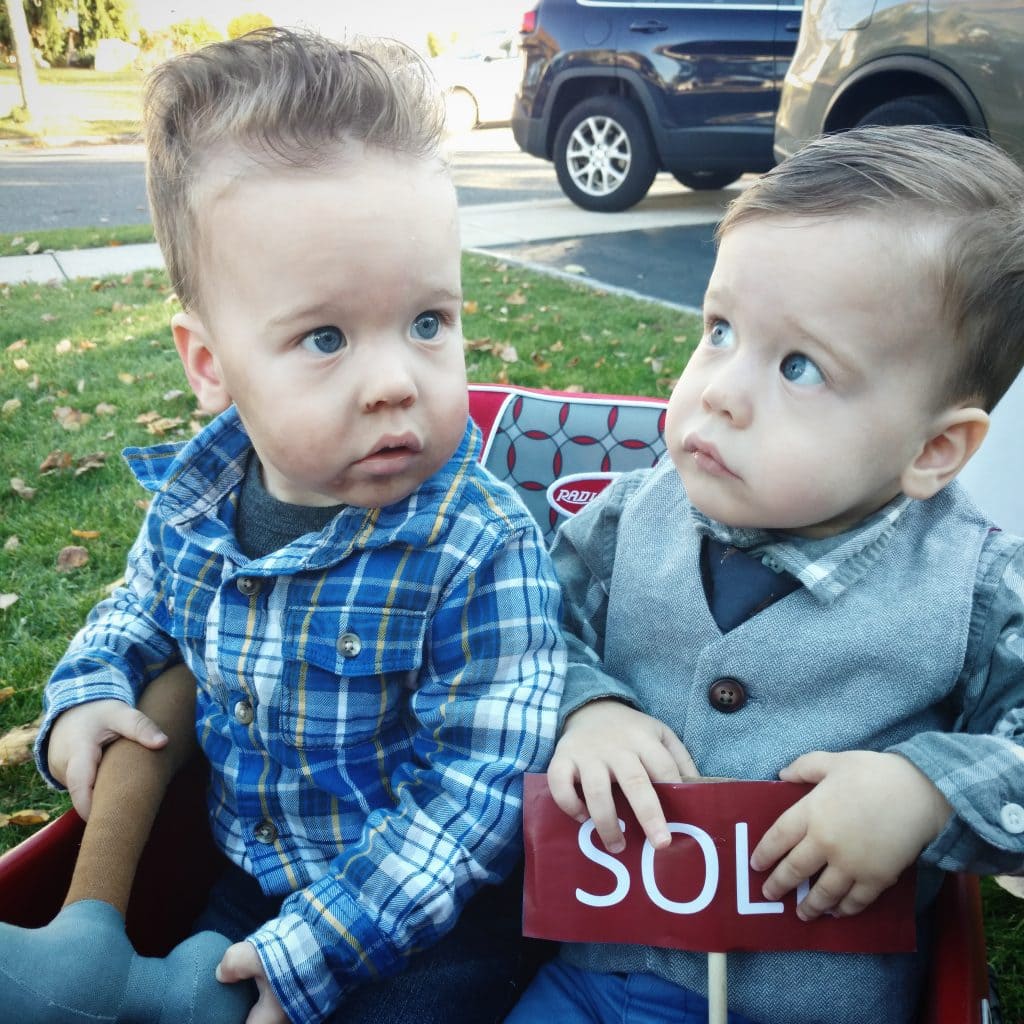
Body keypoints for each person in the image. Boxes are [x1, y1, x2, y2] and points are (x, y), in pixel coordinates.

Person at [19, 27, 566, 1024]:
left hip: (432, 919)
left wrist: (316, 949)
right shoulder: (197, 501)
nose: (396, 379)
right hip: (252, 872)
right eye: (325, 336)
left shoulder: (480, 542)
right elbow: (137, 612)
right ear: (210, 363)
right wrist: (86, 695)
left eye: (428, 321)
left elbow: (481, 791)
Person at [506, 125, 1024, 1024]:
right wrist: (582, 706)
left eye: (799, 366)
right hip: (593, 980)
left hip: (818, 1001)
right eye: (719, 330)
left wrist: (929, 788)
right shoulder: (626, 520)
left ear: (935, 449)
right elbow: (520, 630)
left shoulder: (973, 585)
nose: (721, 390)